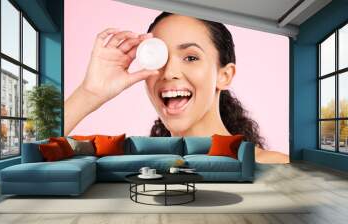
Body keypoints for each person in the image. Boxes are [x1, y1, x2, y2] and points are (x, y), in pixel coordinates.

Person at [65, 12, 289, 163]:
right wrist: (89, 93)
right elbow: (33, 160)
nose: (169, 72)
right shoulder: (136, 161)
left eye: (191, 58)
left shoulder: (273, 164)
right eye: (158, 57)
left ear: (224, 75)